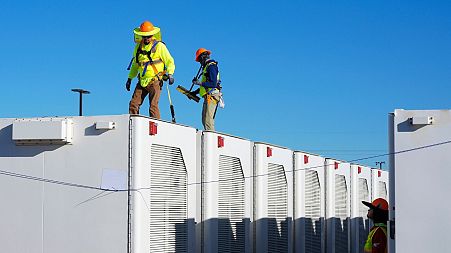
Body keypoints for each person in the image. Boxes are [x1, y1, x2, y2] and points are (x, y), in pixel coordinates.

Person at [125, 21, 175, 119]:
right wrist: (130, 79)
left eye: (149, 36)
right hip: (142, 81)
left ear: (152, 35)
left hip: (155, 81)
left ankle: (156, 127)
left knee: (153, 106)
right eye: (145, 36)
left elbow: (169, 61)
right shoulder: (138, 48)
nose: (147, 38)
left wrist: (170, 74)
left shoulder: (159, 46)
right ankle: (133, 124)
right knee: (133, 104)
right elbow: (135, 65)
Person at [190, 48, 222, 130]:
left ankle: (211, 140)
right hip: (208, 96)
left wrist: (199, 83)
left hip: (212, 96)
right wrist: (194, 92)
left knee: (208, 120)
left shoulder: (211, 67)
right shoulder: (207, 67)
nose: (200, 63)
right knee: (204, 120)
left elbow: (213, 84)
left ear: (202, 57)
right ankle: (209, 138)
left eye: (199, 60)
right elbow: (205, 86)